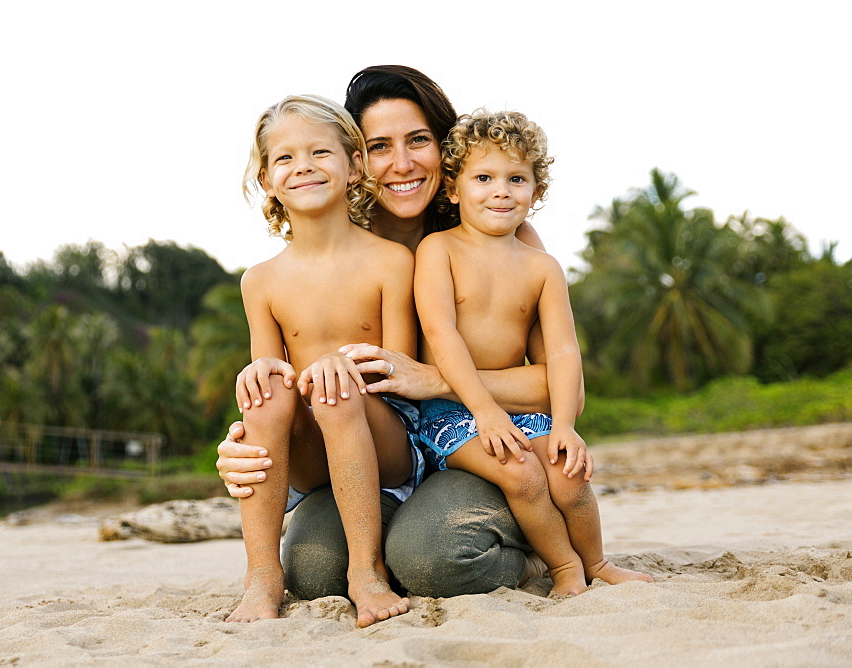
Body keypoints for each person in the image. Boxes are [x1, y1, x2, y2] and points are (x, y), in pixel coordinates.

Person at [217, 66, 577, 600]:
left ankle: (529, 558)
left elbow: (556, 380)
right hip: (364, 447)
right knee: (313, 572)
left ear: (446, 151)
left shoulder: (500, 234)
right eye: (381, 145)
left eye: (419, 141)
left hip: (470, 442)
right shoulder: (316, 254)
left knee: (434, 559)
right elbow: (279, 375)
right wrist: (247, 446)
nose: (402, 164)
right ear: (359, 158)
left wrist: (434, 380)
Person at [415, 110, 652, 595]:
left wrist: (564, 424)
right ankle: (562, 568)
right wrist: (483, 409)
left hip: (518, 408)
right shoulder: (438, 251)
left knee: (568, 476)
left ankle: (597, 562)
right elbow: (441, 336)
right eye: (483, 177)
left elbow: (563, 351)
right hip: (451, 412)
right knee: (522, 473)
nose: (501, 190)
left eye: (516, 179)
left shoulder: (542, 267)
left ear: (535, 192)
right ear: (454, 189)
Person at [228, 93, 420, 627]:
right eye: (284, 158)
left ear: (355, 165)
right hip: (313, 455)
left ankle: (366, 572)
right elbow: (273, 384)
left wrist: (342, 369)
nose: (303, 167)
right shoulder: (260, 280)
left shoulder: (390, 260)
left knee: (337, 389)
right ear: (266, 179)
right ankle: (262, 578)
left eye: (319, 152)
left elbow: (397, 372)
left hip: (385, 438)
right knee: (265, 391)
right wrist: (258, 374)